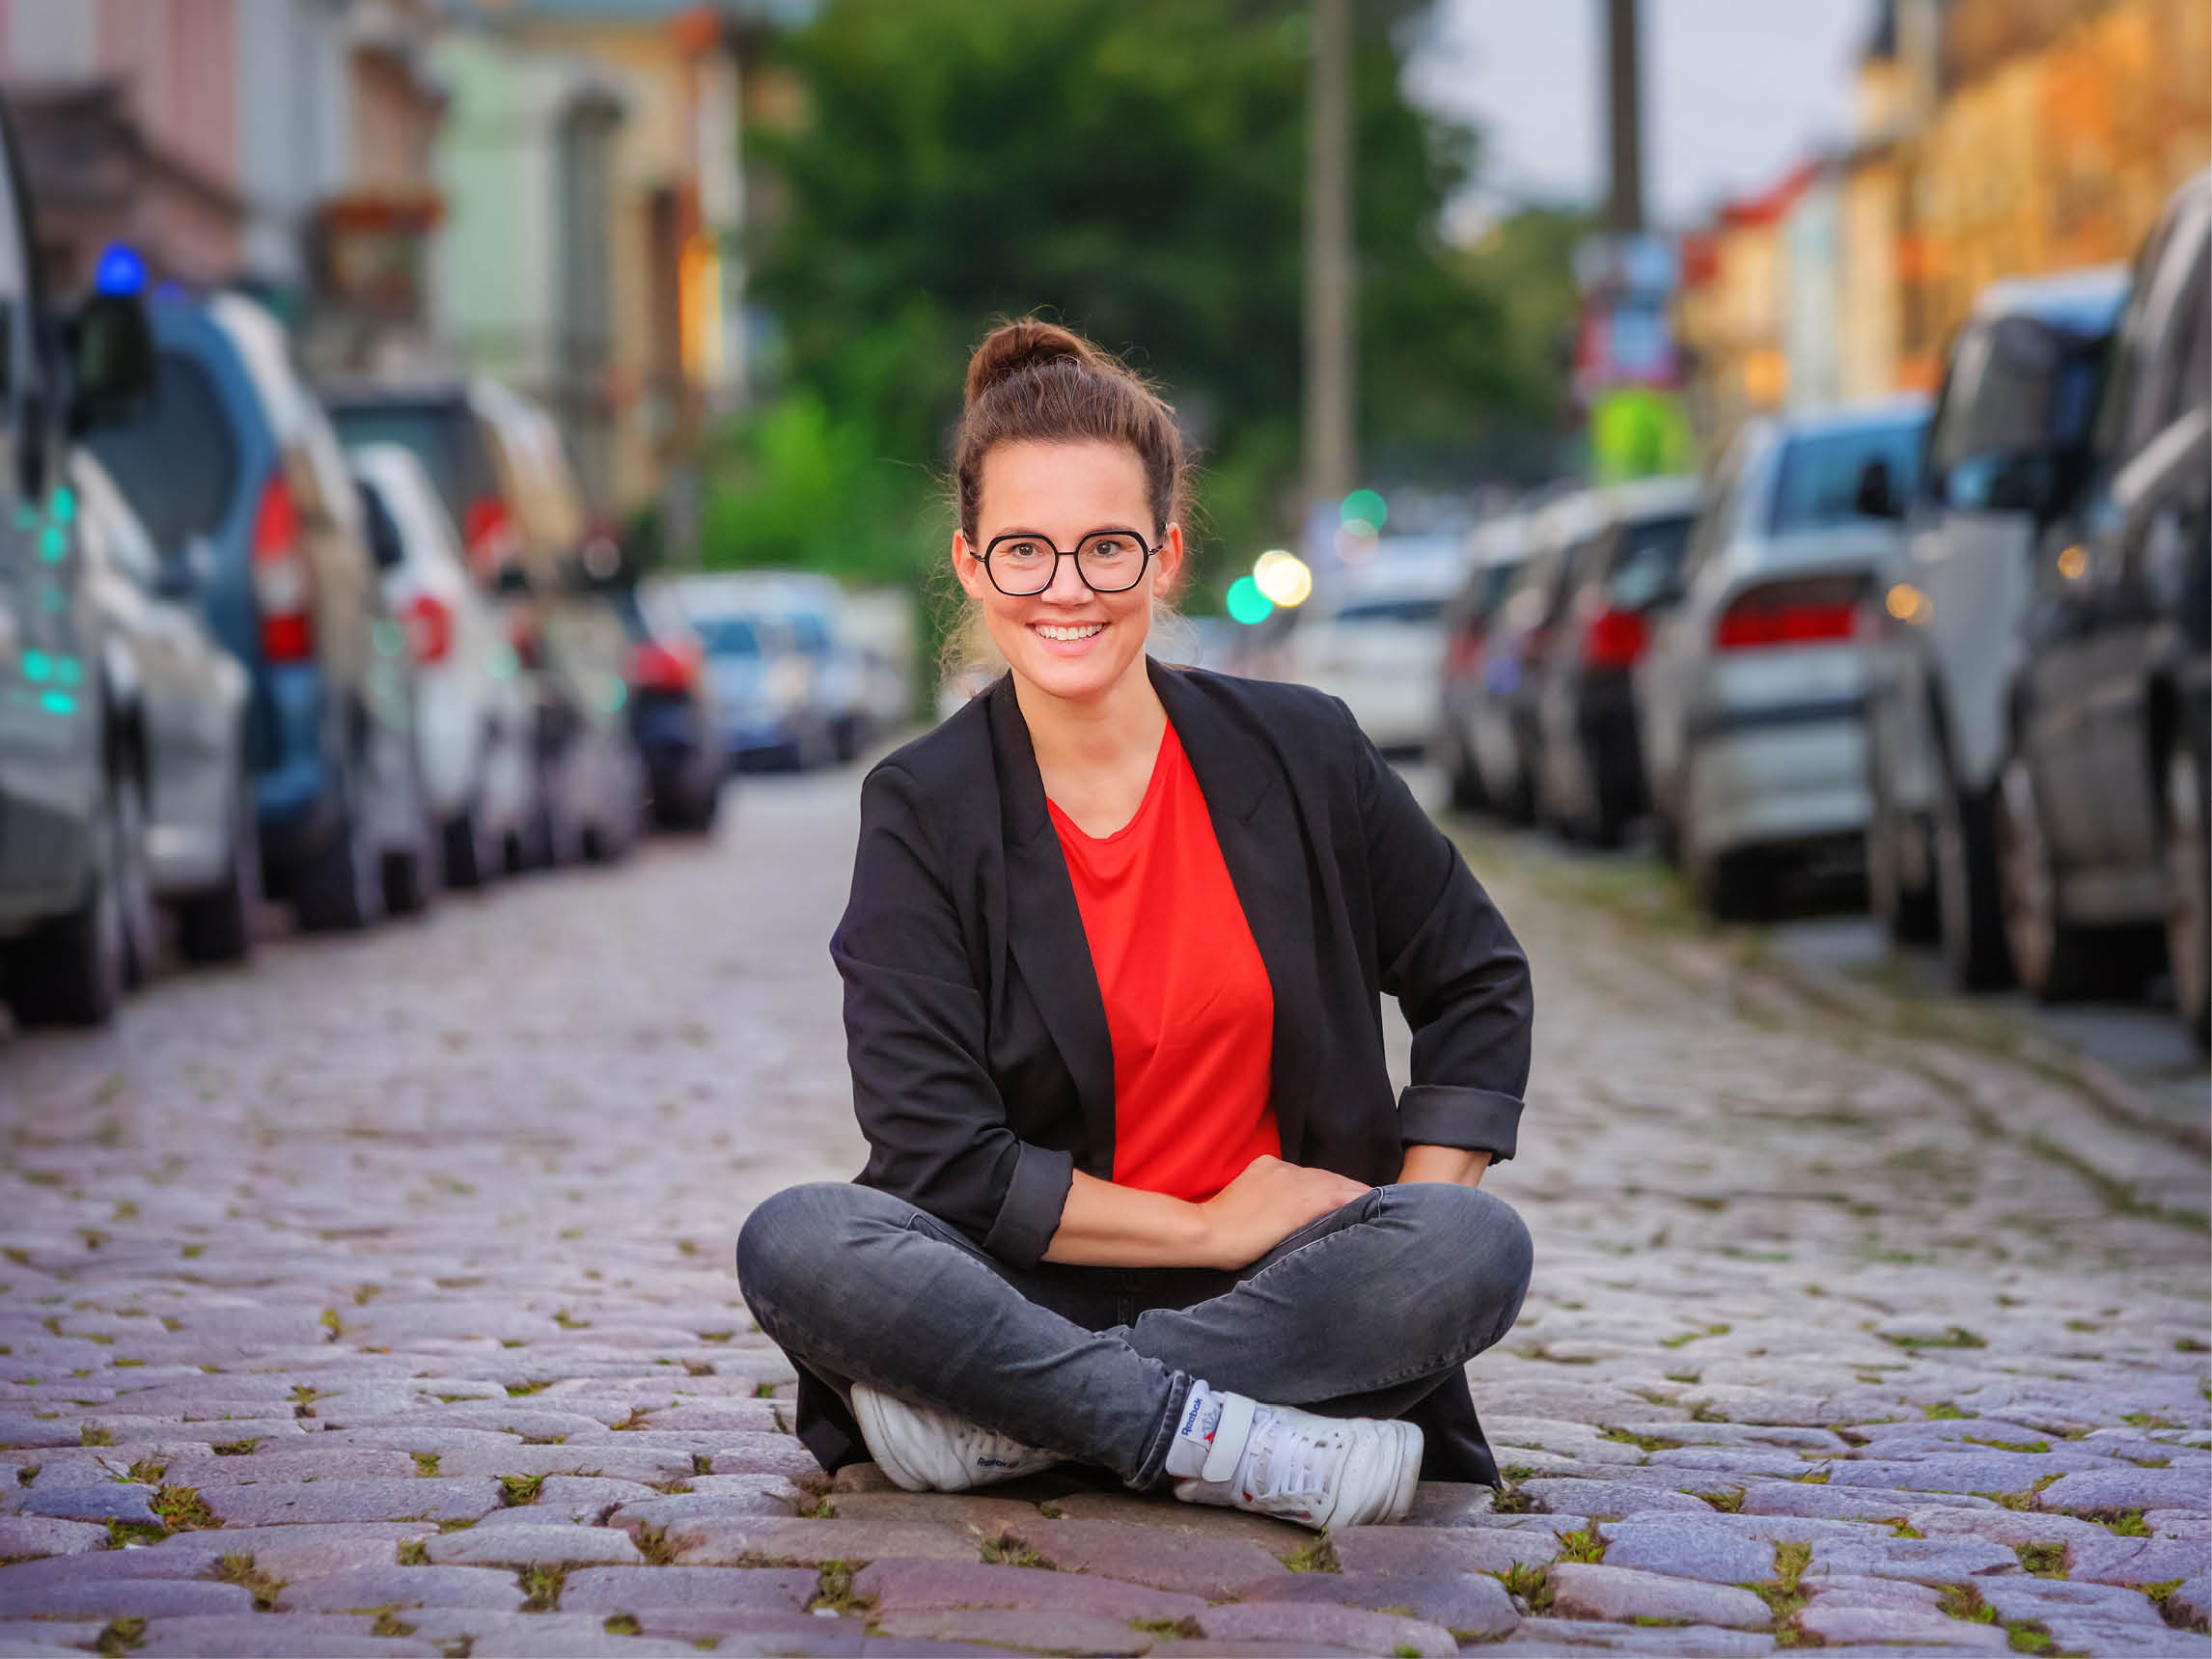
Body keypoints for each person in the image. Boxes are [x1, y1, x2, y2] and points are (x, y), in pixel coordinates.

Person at [736, 319, 1535, 1532]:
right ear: (969, 563)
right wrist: (1207, 1221)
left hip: (1286, 1297)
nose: (1066, 590)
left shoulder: (1304, 751)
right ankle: (1222, 1438)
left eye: (1106, 550)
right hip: (1018, 1296)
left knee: (1468, 1244)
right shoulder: (922, 810)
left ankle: (1015, 1429)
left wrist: (1386, 1218)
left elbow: (1476, 980)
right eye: (1025, 552)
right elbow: (939, 1151)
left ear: (1164, 560)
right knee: (799, 1237)